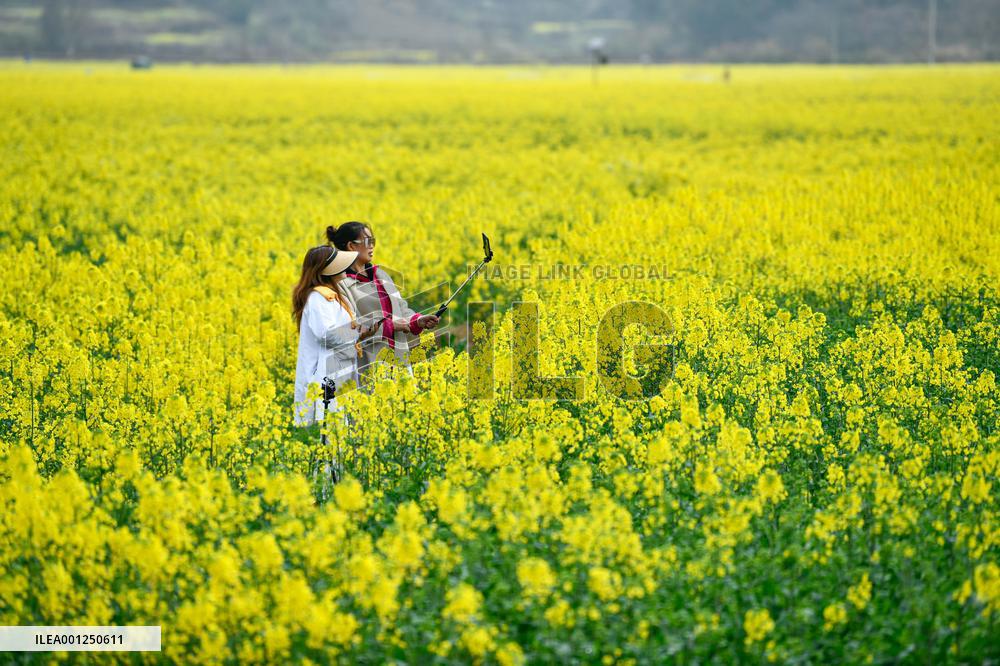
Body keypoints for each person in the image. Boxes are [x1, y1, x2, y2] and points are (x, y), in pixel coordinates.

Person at [326, 222, 440, 382]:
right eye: (367, 242)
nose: (372, 246)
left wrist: (418, 321)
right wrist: (390, 326)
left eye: (373, 241)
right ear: (351, 246)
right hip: (370, 365)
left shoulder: (382, 275)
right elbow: (349, 327)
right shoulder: (341, 285)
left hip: (400, 360)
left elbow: (402, 309)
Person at [292, 244, 378, 428]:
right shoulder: (317, 298)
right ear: (326, 271)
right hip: (325, 375)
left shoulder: (333, 295)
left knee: (340, 433)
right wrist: (358, 332)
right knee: (331, 434)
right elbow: (327, 334)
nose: (346, 267)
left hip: (339, 371)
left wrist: (361, 333)